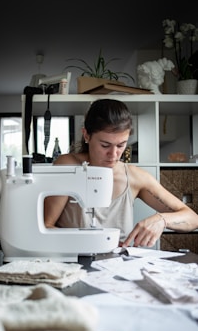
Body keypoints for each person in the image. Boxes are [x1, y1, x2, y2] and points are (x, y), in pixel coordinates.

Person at [44, 98, 198, 248]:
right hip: (71, 261)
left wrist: (162, 220)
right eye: (105, 145)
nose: (113, 154)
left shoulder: (135, 178)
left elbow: (193, 219)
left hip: (118, 265)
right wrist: (91, 243)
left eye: (121, 145)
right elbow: (46, 226)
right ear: (86, 135)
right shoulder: (67, 166)